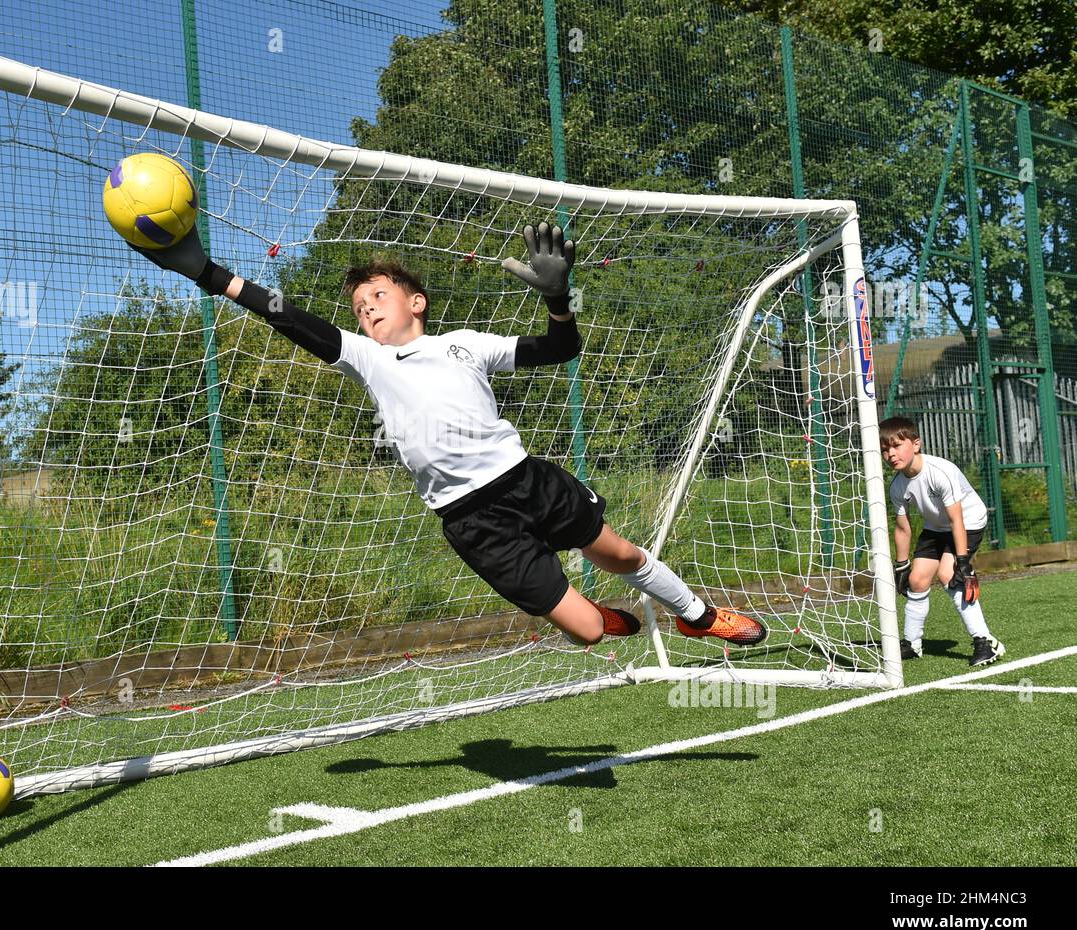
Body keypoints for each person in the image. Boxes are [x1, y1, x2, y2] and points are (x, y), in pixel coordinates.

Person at [128, 221, 765, 648]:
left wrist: (559, 296)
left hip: (526, 480)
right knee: (588, 634)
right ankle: (597, 615)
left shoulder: (466, 346)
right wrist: (211, 275)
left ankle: (699, 617)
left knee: (622, 555)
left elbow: (561, 348)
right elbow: (292, 320)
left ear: (417, 302)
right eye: (359, 307)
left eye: (378, 295)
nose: (367, 308)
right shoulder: (365, 356)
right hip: (471, 519)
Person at [880, 416, 1004, 667]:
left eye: (897, 445)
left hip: (967, 522)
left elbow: (957, 520)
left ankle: (985, 643)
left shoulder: (940, 472)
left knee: (950, 574)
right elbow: (903, 529)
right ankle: (912, 644)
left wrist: (963, 563)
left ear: (916, 444)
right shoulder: (897, 486)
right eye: (885, 449)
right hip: (936, 527)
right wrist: (901, 564)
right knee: (916, 580)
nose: (891, 454)